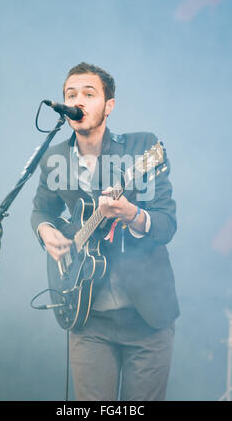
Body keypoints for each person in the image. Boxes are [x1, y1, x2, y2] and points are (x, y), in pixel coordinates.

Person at [31, 62, 180, 401]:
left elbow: (167, 223)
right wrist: (45, 231)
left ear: (109, 106)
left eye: (89, 93)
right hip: (87, 316)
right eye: (71, 94)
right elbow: (42, 210)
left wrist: (132, 215)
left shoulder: (143, 148)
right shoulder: (54, 158)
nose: (77, 100)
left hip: (147, 317)